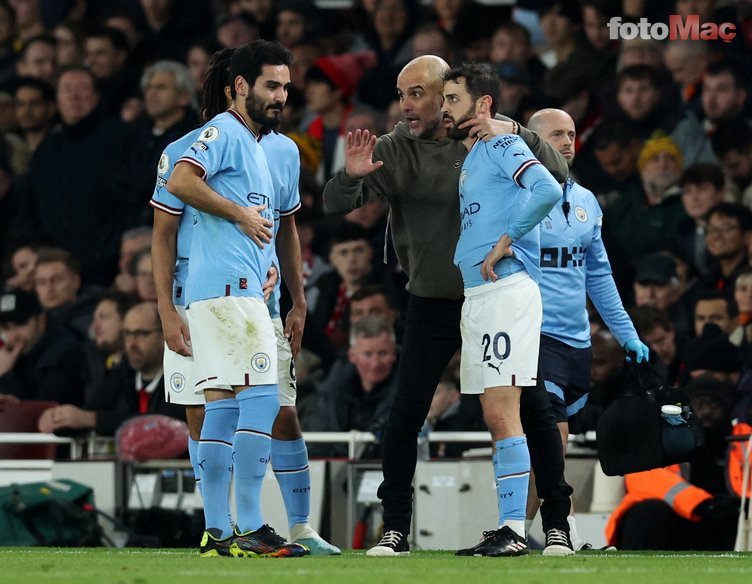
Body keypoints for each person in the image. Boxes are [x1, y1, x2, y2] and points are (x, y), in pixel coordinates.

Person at [323, 54, 573, 557]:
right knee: (405, 412)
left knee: (533, 408)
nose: (405, 105)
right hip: (433, 301)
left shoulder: (491, 136)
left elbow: (558, 173)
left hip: (496, 294)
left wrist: (516, 130)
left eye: (417, 93)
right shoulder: (394, 149)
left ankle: (557, 527)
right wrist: (350, 177)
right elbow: (334, 204)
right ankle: (395, 528)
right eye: (401, 94)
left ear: (448, 97)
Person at [152, 46, 338, 555]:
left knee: (231, 404)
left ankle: (223, 529)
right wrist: (167, 306)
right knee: (251, 401)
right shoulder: (217, 137)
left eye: (285, 87)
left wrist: (290, 291)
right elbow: (172, 213)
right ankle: (247, 525)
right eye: (271, 86)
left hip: (242, 291)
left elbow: (281, 226)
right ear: (237, 86)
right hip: (220, 292)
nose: (281, 96)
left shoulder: (271, 148)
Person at [442, 62, 562, 557]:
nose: (444, 108)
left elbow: (549, 188)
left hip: (505, 291)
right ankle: (508, 527)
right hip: (481, 296)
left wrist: (509, 238)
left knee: (501, 411)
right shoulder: (476, 152)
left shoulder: (500, 143)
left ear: (484, 103)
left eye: (453, 99)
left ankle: (513, 530)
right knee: (495, 413)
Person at [526, 107, 649, 551]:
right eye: (556, 135)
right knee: (552, 438)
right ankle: (563, 532)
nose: (567, 142)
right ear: (532, 143)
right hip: (535, 337)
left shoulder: (587, 202)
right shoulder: (515, 197)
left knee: (548, 449)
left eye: (572, 134)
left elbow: (598, 276)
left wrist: (627, 334)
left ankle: (515, 530)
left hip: (578, 343)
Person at [37, 302, 185, 436]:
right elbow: (86, 414)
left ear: (164, 335)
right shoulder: (122, 374)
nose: (132, 343)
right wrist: (59, 419)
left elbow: (167, 423)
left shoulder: (180, 376)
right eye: (127, 334)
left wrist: (92, 419)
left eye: (141, 334)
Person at [0, 289, 88, 405]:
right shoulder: (13, 352)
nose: (13, 336)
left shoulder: (66, 352)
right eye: (6, 328)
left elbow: (42, 408)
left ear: (41, 320)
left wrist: (4, 376)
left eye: (21, 324)